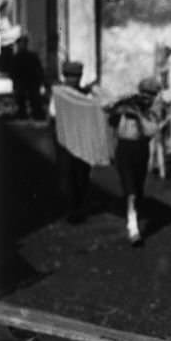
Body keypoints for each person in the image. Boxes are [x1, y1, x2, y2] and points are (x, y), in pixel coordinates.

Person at [108, 76, 165, 245]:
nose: (147, 97)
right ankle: (133, 229)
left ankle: (133, 214)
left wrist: (139, 115)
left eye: (151, 94)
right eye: (144, 93)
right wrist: (121, 103)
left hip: (141, 149)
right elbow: (109, 115)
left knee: (138, 189)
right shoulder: (129, 104)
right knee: (130, 189)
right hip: (124, 148)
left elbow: (151, 130)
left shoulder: (154, 109)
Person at [49, 60, 99, 223]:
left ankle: (79, 206)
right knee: (68, 175)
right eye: (71, 76)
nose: (73, 80)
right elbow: (53, 115)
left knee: (82, 174)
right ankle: (73, 209)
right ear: (65, 77)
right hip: (66, 141)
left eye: (76, 76)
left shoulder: (86, 95)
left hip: (82, 140)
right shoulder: (59, 94)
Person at [10, 34, 46, 120]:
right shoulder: (16, 58)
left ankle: (36, 115)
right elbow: (13, 72)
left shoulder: (32, 56)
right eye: (20, 44)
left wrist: (40, 81)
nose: (22, 45)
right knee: (21, 100)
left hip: (32, 82)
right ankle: (22, 114)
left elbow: (38, 69)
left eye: (24, 43)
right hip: (21, 83)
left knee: (35, 100)